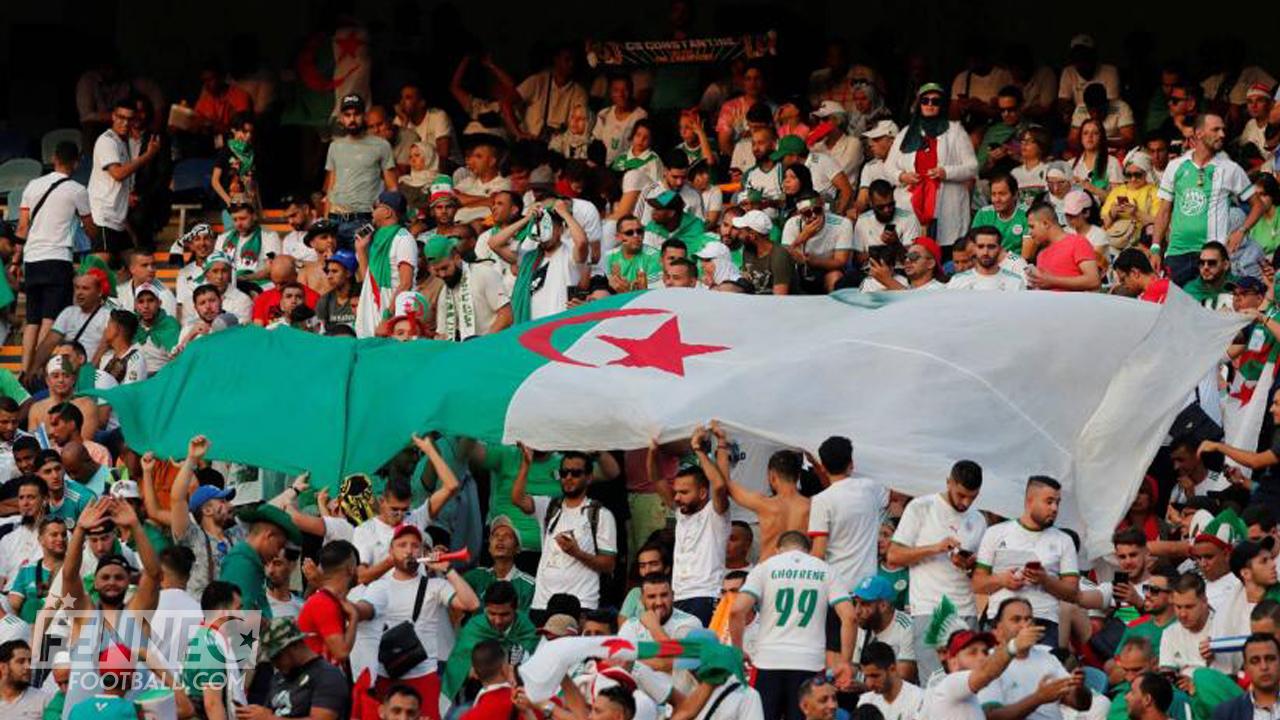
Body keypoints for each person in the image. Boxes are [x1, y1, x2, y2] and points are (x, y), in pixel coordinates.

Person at [731, 530, 856, 720]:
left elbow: (736, 611)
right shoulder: (825, 569)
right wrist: (845, 662)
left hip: (768, 661)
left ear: (778, 550)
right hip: (810, 663)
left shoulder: (765, 568)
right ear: (808, 550)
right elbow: (850, 617)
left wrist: (737, 650)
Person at [363, 523, 480, 718]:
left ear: (423, 552)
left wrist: (447, 569)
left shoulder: (435, 585)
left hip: (424, 677)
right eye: (402, 545)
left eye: (415, 546)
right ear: (391, 551)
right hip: (385, 675)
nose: (409, 551)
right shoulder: (378, 586)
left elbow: (472, 604)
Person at [887, 461, 986, 679]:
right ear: (949, 482)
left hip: (967, 610)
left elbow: (980, 574)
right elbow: (893, 556)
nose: (965, 502)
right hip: (930, 608)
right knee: (936, 683)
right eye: (961, 495)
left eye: (972, 497)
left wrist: (969, 565)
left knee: (970, 684)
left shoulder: (979, 519)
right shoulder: (921, 507)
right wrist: (935, 548)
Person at [15, 141, 97, 380]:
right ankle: (37, 372)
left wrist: (16, 259)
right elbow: (90, 227)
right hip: (58, 258)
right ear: (76, 162)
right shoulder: (77, 190)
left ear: (54, 159)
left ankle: (23, 370)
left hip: (32, 258)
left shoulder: (33, 185)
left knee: (32, 319)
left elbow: (22, 227)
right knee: (49, 319)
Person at [510, 446, 617, 622]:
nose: (568, 477)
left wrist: (577, 553)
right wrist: (526, 465)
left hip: (581, 603)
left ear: (589, 478)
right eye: (564, 472)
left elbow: (609, 565)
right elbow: (517, 499)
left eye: (576, 473)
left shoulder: (601, 514)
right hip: (542, 603)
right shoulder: (549, 506)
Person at [973, 476, 1080, 649]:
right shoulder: (995, 533)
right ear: (1030, 501)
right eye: (1049, 502)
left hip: (1043, 622)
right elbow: (977, 584)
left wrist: (1045, 580)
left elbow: (1073, 593)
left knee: (1042, 667)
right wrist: (1002, 580)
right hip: (1000, 621)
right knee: (998, 666)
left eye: (1057, 503)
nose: (1054, 508)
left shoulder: (1064, 540)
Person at [1154, 114, 1260, 285]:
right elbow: (1163, 212)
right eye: (1216, 130)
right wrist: (1155, 248)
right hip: (1176, 254)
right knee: (1174, 301)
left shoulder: (1230, 169)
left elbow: (1258, 205)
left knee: (1210, 301)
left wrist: (1241, 231)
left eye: (1223, 130)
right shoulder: (1175, 166)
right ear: (1199, 133)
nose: (1222, 134)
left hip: (1212, 256)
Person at [651, 424, 730, 626]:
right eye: (676, 492)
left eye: (684, 492)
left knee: (697, 646)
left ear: (703, 493)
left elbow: (720, 485)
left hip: (705, 596)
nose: (677, 497)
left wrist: (697, 449)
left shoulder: (715, 513)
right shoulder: (681, 513)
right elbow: (657, 480)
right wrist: (652, 451)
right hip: (677, 597)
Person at [887, 83, 979, 246]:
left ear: (942, 105)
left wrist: (946, 172)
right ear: (919, 104)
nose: (930, 105)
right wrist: (902, 176)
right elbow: (888, 167)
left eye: (935, 102)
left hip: (946, 203)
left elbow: (972, 167)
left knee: (945, 250)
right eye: (925, 101)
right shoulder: (906, 133)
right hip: (911, 200)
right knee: (912, 248)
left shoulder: (955, 131)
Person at [978, 598, 1090, 720]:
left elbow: (1081, 705)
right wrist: (1038, 698)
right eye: (1016, 619)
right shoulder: (989, 662)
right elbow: (991, 716)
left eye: (1028, 619)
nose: (1025, 625)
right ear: (998, 630)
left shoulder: (1047, 654)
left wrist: (1078, 688)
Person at [486, 200, 590, 323]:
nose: (543, 231)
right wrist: (527, 219)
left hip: (560, 325)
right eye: (539, 227)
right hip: (532, 327)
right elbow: (494, 243)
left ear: (560, 230)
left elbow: (582, 242)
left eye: (548, 227)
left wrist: (564, 213)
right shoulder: (528, 258)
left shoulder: (570, 255)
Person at [809, 436, 889, 592]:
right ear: (851, 463)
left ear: (823, 467)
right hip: (868, 588)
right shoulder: (870, 488)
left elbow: (818, 553)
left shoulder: (821, 501)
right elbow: (894, 495)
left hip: (837, 588)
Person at [921, 623, 1043, 720]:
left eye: (985, 652)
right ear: (953, 663)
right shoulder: (950, 684)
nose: (982, 657)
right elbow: (986, 672)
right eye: (972, 652)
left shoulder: (970, 693)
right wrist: (1014, 646)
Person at [87, 98, 161, 260]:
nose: (125, 123)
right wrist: (147, 156)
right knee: (99, 268)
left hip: (119, 217)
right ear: (113, 116)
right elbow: (118, 174)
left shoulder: (122, 142)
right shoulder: (107, 141)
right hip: (104, 216)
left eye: (130, 119)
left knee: (132, 265)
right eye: (121, 118)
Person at [442, 582, 539, 701]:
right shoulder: (474, 627)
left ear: (516, 608)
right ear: (485, 609)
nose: (498, 621)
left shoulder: (526, 628)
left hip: (520, 692)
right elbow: (460, 662)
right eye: (492, 614)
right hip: (478, 689)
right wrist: (473, 669)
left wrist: (512, 667)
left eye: (504, 614)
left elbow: (533, 658)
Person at [326, 94, 398, 247]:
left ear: (364, 116)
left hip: (365, 220)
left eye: (356, 114)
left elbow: (393, 188)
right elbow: (331, 187)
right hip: (335, 219)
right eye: (347, 115)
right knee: (335, 262)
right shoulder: (334, 147)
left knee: (364, 261)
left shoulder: (382, 145)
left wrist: (382, 219)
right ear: (341, 118)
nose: (352, 119)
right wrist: (327, 223)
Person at [241, 617, 349, 720]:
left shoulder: (327, 676)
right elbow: (268, 712)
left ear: (295, 645)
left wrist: (269, 718)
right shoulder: (279, 678)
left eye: (277, 657)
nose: (274, 663)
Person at [421, 235, 511, 339]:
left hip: (493, 343)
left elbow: (506, 316)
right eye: (436, 270)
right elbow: (443, 334)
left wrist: (482, 344)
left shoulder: (483, 274)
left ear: (457, 258)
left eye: (445, 268)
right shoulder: (444, 293)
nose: (442, 274)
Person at [354, 190, 417, 337]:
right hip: (372, 307)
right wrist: (361, 249)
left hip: (392, 314)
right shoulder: (375, 239)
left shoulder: (404, 238)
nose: (372, 212)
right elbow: (368, 280)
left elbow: (406, 283)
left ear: (388, 212)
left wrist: (387, 319)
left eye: (375, 207)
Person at [784, 191, 855, 293]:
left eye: (817, 210)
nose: (813, 216)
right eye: (807, 213)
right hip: (800, 271)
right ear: (800, 214)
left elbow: (840, 261)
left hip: (828, 269)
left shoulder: (842, 224)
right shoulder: (792, 223)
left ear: (823, 207)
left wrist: (813, 262)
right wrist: (801, 238)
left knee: (835, 276)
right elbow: (784, 255)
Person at [463, 515, 536, 613]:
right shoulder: (476, 577)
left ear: (517, 548)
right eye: (495, 535)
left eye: (507, 536)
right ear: (489, 548)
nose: (500, 539)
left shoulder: (529, 586)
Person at [1023, 203, 1102, 292]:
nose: (1029, 232)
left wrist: (1052, 281)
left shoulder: (1078, 242)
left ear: (1046, 223)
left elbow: (1094, 281)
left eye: (1032, 226)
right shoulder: (1041, 254)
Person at [517, 45, 589, 139]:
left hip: (558, 144)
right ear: (556, 60)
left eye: (573, 61)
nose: (571, 64)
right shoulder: (538, 81)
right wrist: (518, 133)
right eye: (567, 60)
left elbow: (578, 125)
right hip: (531, 141)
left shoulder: (579, 93)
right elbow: (507, 103)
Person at [1212, 633, 1280, 720]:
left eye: (1270, 659)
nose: (1264, 667)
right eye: (1255, 661)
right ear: (1246, 668)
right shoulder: (1226, 713)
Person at [853, 180, 923, 260]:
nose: (887, 210)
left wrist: (896, 243)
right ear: (871, 203)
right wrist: (885, 251)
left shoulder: (909, 218)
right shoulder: (862, 220)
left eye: (890, 205)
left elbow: (913, 257)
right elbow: (859, 258)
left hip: (900, 267)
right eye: (881, 207)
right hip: (871, 266)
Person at [859, 641, 925, 720]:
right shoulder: (865, 701)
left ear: (892, 669)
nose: (869, 684)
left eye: (875, 676)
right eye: (866, 676)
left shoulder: (919, 699)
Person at [948, 227, 1028, 291]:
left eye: (991, 247)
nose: (985, 252)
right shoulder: (957, 281)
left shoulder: (1016, 281)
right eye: (980, 246)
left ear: (1000, 248)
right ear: (975, 249)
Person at [971, 174, 1029, 254]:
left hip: (1017, 261)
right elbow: (972, 246)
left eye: (1002, 194)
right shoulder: (983, 214)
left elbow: (1027, 255)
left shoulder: (1027, 214)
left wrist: (1004, 258)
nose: (997, 199)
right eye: (993, 194)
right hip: (986, 259)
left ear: (1015, 195)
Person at [0, 639, 50, 719]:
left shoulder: (43, 700)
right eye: (21, 661)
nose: (28, 666)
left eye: (29, 661)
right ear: (3, 667)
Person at [1181, 241, 1236, 310]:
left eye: (1212, 263)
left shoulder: (1240, 287)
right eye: (1201, 263)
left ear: (1225, 265)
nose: (1205, 267)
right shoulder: (1189, 291)